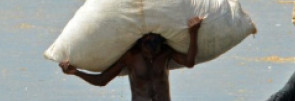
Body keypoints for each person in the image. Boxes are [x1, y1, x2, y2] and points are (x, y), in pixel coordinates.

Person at [59, 16, 203, 101]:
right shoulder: (131, 57)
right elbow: (102, 80)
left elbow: (189, 62)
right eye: (147, 49)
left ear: (160, 44)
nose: (151, 55)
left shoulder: (165, 53)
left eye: (154, 49)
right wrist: (76, 72)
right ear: (140, 44)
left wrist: (193, 33)